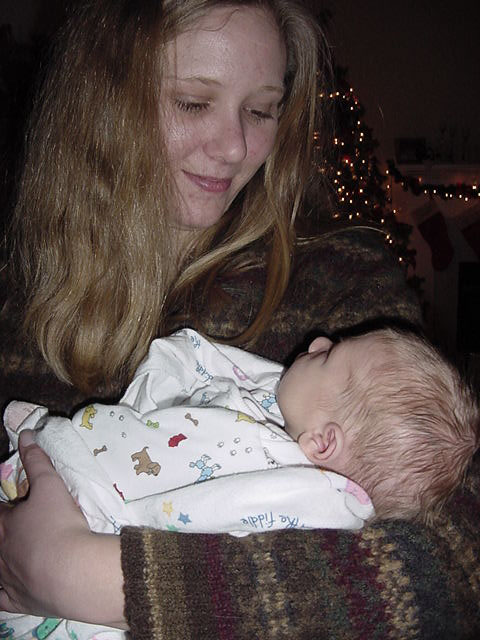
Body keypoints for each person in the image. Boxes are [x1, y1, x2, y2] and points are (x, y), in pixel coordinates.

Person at [1, 0, 456, 638]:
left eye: (261, 110)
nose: (236, 146)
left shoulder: (343, 285)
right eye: (193, 103)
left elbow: (454, 563)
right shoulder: (17, 292)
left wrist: (94, 578)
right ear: (101, 104)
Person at [2, 324, 476, 638]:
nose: (317, 342)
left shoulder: (295, 496)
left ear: (323, 443)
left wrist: (76, 568)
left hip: (92, 521)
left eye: (328, 357)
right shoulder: (284, 413)